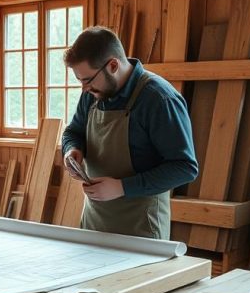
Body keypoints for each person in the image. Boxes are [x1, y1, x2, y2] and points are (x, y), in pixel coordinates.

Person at [61, 26, 198, 240]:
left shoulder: (159, 99)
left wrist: (122, 187)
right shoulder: (93, 94)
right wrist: (72, 151)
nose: (84, 89)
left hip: (141, 228)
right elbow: (73, 131)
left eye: (87, 80)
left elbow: (184, 168)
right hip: (94, 223)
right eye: (80, 81)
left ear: (113, 65)